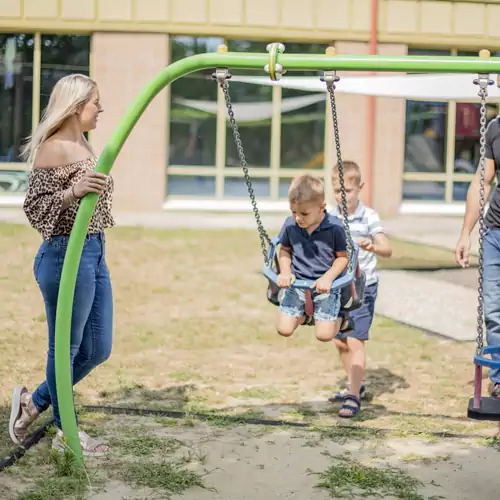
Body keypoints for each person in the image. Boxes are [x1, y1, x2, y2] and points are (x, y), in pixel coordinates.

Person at [8, 74, 114, 456]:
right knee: (66, 349)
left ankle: (34, 402)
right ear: (75, 106)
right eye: (95, 102)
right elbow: (34, 208)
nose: (100, 109)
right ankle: (68, 433)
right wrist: (73, 191)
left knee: (98, 348)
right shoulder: (53, 148)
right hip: (64, 253)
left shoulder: (83, 143)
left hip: (95, 250)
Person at [328, 161, 392, 418]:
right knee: (339, 340)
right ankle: (356, 384)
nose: (342, 197)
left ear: (360, 188)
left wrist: (373, 246)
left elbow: (387, 248)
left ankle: (353, 395)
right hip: (340, 288)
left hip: (363, 288)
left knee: (355, 340)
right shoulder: (331, 217)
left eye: (348, 191)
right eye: (336, 191)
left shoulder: (369, 216)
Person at [455, 115, 500, 398]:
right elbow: (481, 182)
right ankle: (499, 379)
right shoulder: (496, 127)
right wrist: (465, 232)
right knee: (494, 312)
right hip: (496, 231)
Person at [276, 174, 351, 343]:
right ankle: (307, 316)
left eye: (304, 213)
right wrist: (286, 272)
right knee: (284, 329)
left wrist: (328, 278)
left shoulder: (335, 228)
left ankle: (343, 320)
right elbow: (284, 250)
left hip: (326, 286)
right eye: (293, 211)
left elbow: (343, 258)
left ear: (321, 207)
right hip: (297, 283)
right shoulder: (290, 225)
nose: (298, 218)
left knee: (324, 335)